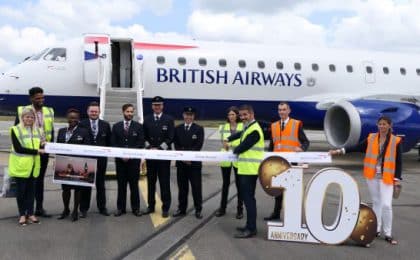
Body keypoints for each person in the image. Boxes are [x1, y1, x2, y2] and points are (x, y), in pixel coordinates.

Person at [330, 116, 402, 245]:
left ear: (390, 125)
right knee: (376, 202)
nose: (382, 126)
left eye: (384, 124)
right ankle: (376, 229)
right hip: (373, 176)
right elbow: (356, 147)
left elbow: (399, 161)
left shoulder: (395, 141)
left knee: (386, 204)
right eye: (380, 124)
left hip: (387, 177)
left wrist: (397, 179)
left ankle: (388, 233)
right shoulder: (372, 138)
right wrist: (339, 151)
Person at [264, 102, 310, 221]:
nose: (281, 112)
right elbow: (271, 145)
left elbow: (306, 142)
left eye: (284, 110)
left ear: (289, 111)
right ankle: (276, 214)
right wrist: (268, 160)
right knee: (278, 190)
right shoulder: (274, 126)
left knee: (291, 190)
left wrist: (302, 148)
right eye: (280, 110)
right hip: (278, 163)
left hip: (291, 163)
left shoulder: (296, 124)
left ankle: (292, 216)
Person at [225, 104, 264, 239]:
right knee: (248, 199)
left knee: (249, 200)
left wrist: (231, 149)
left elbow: (243, 147)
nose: (242, 117)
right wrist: (229, 139)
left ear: (252, 114)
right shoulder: (249, 127)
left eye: (245, 115)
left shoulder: (255, 130)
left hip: (250, 170)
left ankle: (251, 229)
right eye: (241, 115)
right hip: (245, 169)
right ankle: (248, 225)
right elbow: (241, 135)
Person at [15, 87, 54, 217]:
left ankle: (39, 208)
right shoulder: (22, 110)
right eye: (38, 98)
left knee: (40, 180)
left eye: (42, 97)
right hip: (29, 152)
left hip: (43, 152)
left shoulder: (49, 111)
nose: (41, 100)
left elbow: (51, 131)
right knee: (28, 181)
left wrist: (50, 149)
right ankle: (26, 210)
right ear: (31, 98)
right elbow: (17, 130)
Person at [9, 107, 45, 226]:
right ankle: (22, 215)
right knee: (21, 193)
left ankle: (30, 214)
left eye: (32, 117)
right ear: (22, 117)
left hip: (34, 167)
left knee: (31, 192)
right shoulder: (15, 129)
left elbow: (41, 146)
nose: (29, 119)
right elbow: (19, 148)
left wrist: (44, 144)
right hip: (21, 167)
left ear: (34, 119)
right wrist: (37, 151)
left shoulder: (38, 130)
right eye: (27, 116)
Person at [56, 108, 91, 221]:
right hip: (63, 164)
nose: (73, 120)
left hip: (78, 165)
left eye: (75, 118)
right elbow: (57, 148)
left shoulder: (84, 132)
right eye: (71, 118)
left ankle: (75, 210)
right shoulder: (61, 131)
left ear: (78, 119)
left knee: (77, 189)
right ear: (67, 118)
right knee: (65, 189)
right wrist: (56, 161)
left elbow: (87, 149)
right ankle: (66, 209)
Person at [143, 96, 175, 218]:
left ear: (162, 106)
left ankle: (165, 207)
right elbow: (144, 137)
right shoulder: (147, 119)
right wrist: (150, 148)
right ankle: (151, 206)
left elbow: (170, 137)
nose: (157, 107)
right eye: (155, 105)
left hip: (163, 157)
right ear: (152, 106)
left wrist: (159, 149)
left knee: (164, 183)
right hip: (151, 156)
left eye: (159, 105)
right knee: (151, 182)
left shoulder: (169, 119)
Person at [79, 101, 112, 217]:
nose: (94, 113)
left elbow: (109, 143)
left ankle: (102, 207)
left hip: (101, 160)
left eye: (96, 111)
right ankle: (83, 209)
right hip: (86, 160)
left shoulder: (105, 125)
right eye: (92, 111)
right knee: (86, 185)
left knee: (100, 185)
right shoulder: (81, 124)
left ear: (99, 112)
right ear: (88, 112)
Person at [111, 104, 145, 217]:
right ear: (123, 112)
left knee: (134, 186)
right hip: (120, 162)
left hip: (133, 162)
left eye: (131, 111)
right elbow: (113, 143)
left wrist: (129, 154)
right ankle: (121, 208)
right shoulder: (116, 126)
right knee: (121, 186)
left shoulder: (139, 127)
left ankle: (136, 208)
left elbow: (140, 143)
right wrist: (121, 155)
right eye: (127, 111)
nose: (130, 114)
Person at [173, 106, 204, 219]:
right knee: (182, 188)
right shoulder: (178, 128)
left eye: (190, 115)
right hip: (181, 163)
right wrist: (183, 158)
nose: (188, 117)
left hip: (194, 164)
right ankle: (181, 209)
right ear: (183, 115)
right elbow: (176, 145)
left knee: (196, 188)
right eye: (186, 115)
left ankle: (198, 209)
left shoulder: (199, 129)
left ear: (193, 116)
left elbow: (198, 146)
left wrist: (189, 158)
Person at [215, 106, 244, 219]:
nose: (231, 116)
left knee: (239, 184)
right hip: (226, 158)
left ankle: (239, 210)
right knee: (225, 184)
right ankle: (222, 208)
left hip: (238, 157)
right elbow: (223, 143)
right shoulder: (223, 127)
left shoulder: (243, 126)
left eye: (233, 114)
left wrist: (231, 145)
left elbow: (241, 143)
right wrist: (228, 146)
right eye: (229, 115)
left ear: (237, 115)